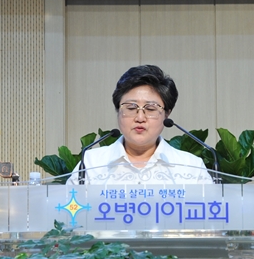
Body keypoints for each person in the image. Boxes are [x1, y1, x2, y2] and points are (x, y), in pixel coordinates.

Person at [68, 65, 215, 185]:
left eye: (150, 109)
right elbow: (69, 210)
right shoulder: (91, 164)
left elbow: (209, 211)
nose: (140, 118)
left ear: (166, 114)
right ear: (118, 110)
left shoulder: (191, 167)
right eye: (131, 108)